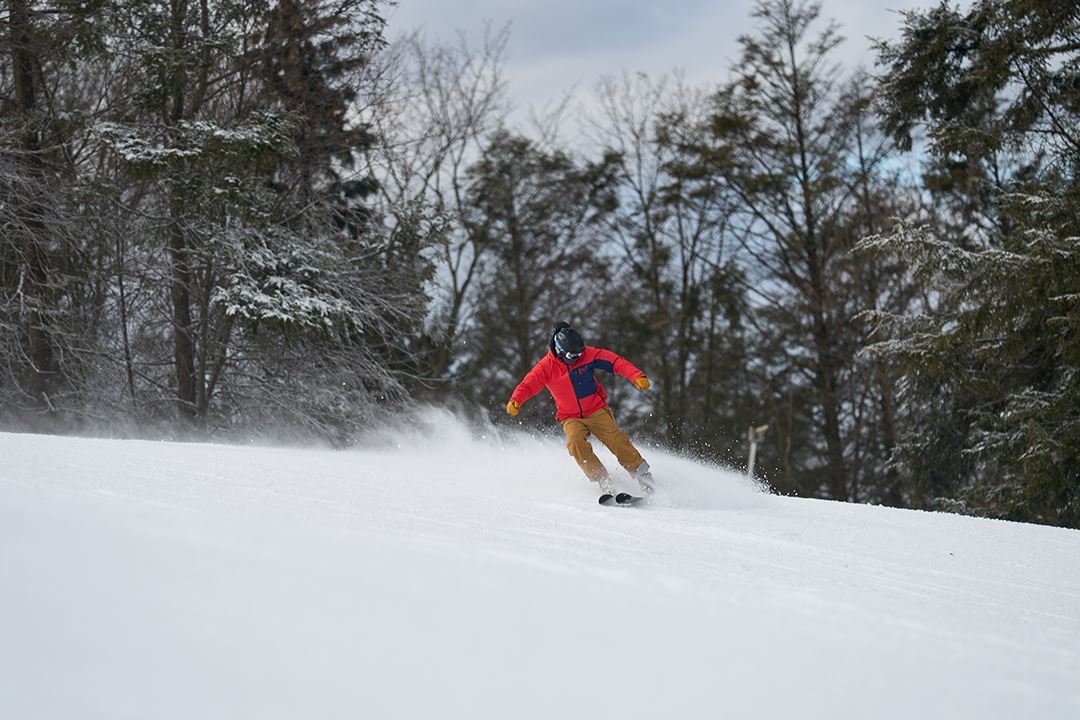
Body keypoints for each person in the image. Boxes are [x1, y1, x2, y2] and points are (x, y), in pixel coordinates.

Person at [505, 321, 656, 499]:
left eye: (579, 353)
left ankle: (644, 477)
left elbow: (615, 362)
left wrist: (636, 376)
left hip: (596, 409)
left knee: (616, 439)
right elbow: (528, 384)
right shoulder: (546, 367)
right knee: (575, 442)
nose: (577, 358)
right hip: (570, 417)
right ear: (560, 349)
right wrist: (516, 400)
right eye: (572, 355)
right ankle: (603, 480)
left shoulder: (588, 355)